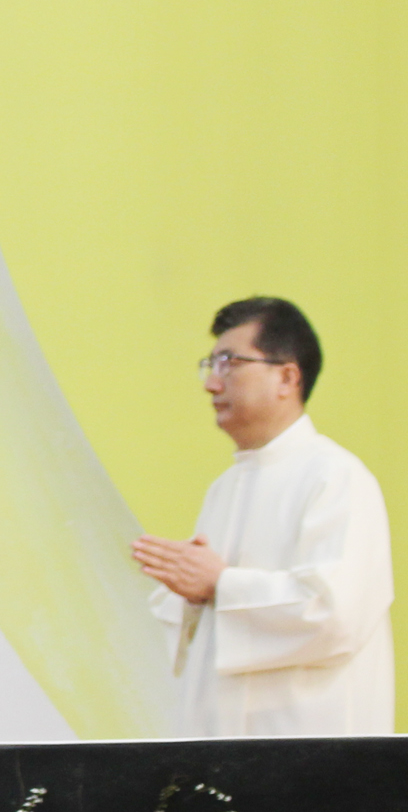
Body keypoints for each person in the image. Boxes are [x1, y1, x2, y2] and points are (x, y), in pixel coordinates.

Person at [132, 296, 392, 736]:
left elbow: (334, 614)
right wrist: (190, 592)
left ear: (287, 377)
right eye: (210, 365)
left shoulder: (335, 476)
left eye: (229, 363)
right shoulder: (225, 488)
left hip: (309, 746)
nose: (211, 384)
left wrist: (219, 583)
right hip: (221, 746)